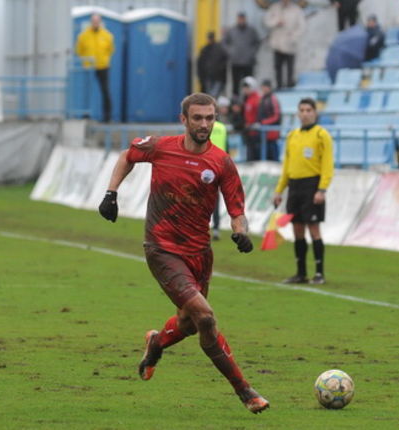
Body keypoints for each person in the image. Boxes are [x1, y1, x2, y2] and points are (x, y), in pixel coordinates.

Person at [96, 93, 269, 414]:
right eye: (198, 118)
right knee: (205, 317)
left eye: (210, 118)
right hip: (162, 248)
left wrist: (240, 232)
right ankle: (245, 391)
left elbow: (237, 210)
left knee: (189, 324)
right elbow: (126, 156)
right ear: (184, 120)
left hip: (199, 253)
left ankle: (156, 343)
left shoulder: (221, 162)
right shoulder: (161, 147)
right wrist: (111, 194)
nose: (204, 124)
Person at [272, 98, 334, 285]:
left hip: (312, 186)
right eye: (302, 110)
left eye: (309, 110)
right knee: (297, 229)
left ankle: (319, 273)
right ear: (298, 114)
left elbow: (327, 165)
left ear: (315, 113)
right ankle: (300, 273)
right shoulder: (292, 136)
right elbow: (286, 166)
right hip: (294, 186)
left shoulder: (321, 135)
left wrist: (322, 189)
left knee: (314, 229)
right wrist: (279, 190)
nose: (305, 113)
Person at [76, 13, 115, 122]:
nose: (95, 23)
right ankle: (85, 115)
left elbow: (110, 50)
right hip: (89, 67)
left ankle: (107, 117)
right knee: (86, 92)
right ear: (91, 22)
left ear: (100, 22)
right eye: (93, 21)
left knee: (105, 91)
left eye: (97, 21)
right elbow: (79, 51)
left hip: (103, 66)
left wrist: (104, 59)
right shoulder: (83, 36)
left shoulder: (107, 35)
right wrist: (86, 61)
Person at [265, 0, 306, 89]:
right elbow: (267, 21)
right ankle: (279, 86)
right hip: (277, 44)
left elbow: (301, 27)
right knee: (277, 67)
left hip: (290, 45)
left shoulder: (296, 10)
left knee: (290, 68)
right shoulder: (274, 8)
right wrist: (276, 22)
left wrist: (293, 37)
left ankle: (289, 86)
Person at [224, 12, 261, 96]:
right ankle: (235, 102)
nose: (241, 20)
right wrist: (230, 52)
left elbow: (257, 43)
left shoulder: (251, 30)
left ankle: (248, 100)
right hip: (235, 62)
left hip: (248, 62)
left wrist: (252, 53)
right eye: (239, 18)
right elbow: (225, 43)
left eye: (243, 18)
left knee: (249, 83)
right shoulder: (232, 30)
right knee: (235, 83)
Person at [210, 96, 231, 240]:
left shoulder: (204, 127)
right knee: (215, 198)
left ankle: (199, 226)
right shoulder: (223, 128)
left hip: (204, 165)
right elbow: (227, 149)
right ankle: (216, 228)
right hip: (220, 167)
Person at [255, 79, 282, 161]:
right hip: (264, 133)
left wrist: (264, 122)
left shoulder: (273, 99)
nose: (263, 89)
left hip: (272, 132)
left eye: (264, 87)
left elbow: (276, 116)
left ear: (269, 88)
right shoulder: (263, 98)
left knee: (273, 155)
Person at [197, 31, 229, 97]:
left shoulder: (219, 49)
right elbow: (200, 64)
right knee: (211, 96)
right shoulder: (205, 49)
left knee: (213, 96)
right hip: (208, 77)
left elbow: (225, 61)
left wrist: (220, 70)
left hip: (217, 77)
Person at [241, 77, 263, 161]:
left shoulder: (257, 99)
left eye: (247, 87)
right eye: (244, 88)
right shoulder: (247, 99)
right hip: (249, 131)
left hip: (255, 132)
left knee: (255, 156)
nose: (245, 90)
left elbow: (259, 114)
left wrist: (254, 124)